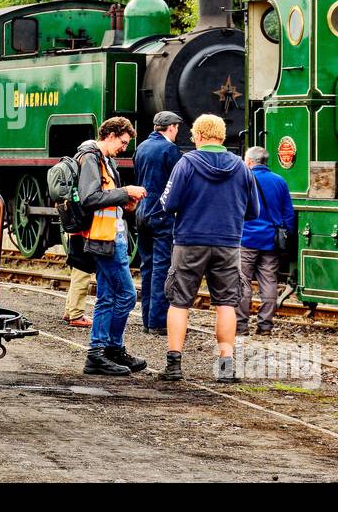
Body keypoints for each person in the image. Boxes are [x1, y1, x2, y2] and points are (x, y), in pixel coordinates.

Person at [157, 114, 258, 383]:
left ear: (198, 136)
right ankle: (226, 367)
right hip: (227, 244)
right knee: (226, 304)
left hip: (189, 241)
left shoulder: (187, 163)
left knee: (179, 302)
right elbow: (254, 211)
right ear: (222, 137)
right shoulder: (241, 167)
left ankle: (174, 365)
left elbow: (169, 203)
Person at [75, 117, 147, 375]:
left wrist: (125, 204)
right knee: (126, 295)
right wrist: (125, 191)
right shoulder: (91, 158)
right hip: (102, 238)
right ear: (112, 135)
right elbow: (89, 197)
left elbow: (105, 199)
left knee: (107, 296)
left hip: (110, 235)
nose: (125, 148)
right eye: (124, 142)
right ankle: (107, 350)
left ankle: (102, 352)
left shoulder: (105, 161)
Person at [133, 111, 183, 335]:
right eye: (177, 128)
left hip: (142, 211)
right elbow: (178, 180)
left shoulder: (141, 146)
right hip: (162, 214)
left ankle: (146, 320)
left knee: (147, 266)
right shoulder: (169, 150)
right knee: (162, 267)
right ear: (171, 127)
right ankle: (158, 321)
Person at [238, 146, 296, 336]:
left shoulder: (242, 180)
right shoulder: (279, 181)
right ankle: (265, 326)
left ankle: (241, 325)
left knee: (243, 282)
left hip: (246, 239)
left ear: (249, 161)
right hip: (271, 240)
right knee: (269, 282)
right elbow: (288, 214)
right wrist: (287, 236)